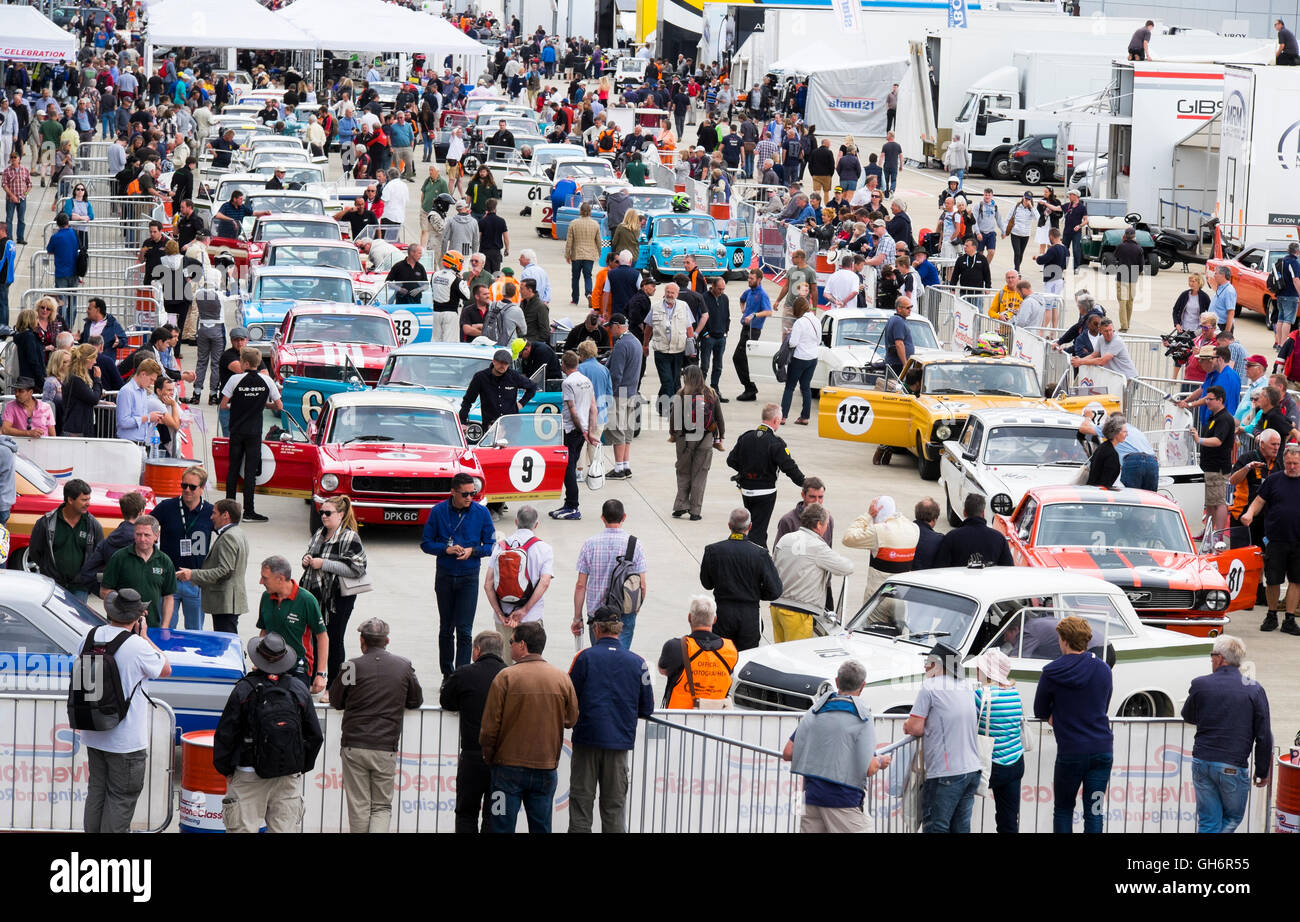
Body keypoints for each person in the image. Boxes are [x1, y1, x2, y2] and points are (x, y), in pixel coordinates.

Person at [75, 589, 171, 834]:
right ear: (138, 616)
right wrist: (146, 635)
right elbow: (166, 668)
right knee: (120, 797)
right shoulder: (138, 646)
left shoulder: (90, 636)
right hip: (126, 740)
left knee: (96, 791)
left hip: (94, 731)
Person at [212, 632, 324, 833]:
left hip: (248, 774)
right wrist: (297, 766)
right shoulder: (298, 689)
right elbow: (315, 735)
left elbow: (225, 735)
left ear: (257, 659)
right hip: (288, 775)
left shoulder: (244, 690)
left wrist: (227, 770)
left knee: (242, 829)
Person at [479, 621, 579, 834]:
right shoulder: (561, 678)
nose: (510, 645)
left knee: (501, 826)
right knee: (541, 827)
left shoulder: (506, 677)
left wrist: (488, 755)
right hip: (545, 767)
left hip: (506, 769)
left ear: (522, 645)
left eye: (511, 641)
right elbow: (571, 719)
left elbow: (489, 727)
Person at [327, 617, 423, 834]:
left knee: (359, 806)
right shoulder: (403, 666)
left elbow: (336, 700)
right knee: (381, 806)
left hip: (354, 744)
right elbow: (415, 701)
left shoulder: (352, 666)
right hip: (384, 746)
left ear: (362, 641)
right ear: (387, 640)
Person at [567, 605, 654, 833]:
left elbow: (568, 698)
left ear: (596, 628)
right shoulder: (638, 663)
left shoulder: (584, 658)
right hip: (618, 744)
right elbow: (648, 708)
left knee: (581, 807)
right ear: (619, 628)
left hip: (587, 740)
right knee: (614, 810)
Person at [782, 658, 889, 833]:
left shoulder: (815, 711)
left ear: (837, 681)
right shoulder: (862, 717)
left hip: (812, 798)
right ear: (862, 686)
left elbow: (788, 752)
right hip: (844, 800)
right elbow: (869, 768)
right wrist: (880, 761)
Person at [1181, 635, 1272, 833]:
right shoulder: (1254, 689)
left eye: (1212, 656)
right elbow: (1264, 734)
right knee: (1232, 817)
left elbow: (1187, 715)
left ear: (1220, 658)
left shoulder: (1201, 684)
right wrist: (1262, 770)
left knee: (1208, 821)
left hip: (1202, 761)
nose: (1211, 660)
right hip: (1232, 764)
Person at [1033, 615, 1114, 834]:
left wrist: (1056, 716)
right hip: (1102, 751)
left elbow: (1039, 710)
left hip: (1071, 752)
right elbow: (1103, 706)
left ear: (1064, 640)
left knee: (1063, 809)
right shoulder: (1104, 669)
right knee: (1095, 810)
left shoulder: (1052, 672)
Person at [904, 642, 982, 833]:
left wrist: (908, 725)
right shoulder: (966, 685)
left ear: (938, 665)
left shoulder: (930, 686)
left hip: (946, 774)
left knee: (936, 828)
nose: (924, 666)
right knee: (961, 828)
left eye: (928, 662)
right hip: (971, 769)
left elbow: (914, 727)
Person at [440, 631, 507, 834]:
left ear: (477, 650)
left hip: (472, 757)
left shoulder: (464, 673)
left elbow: (447, 701)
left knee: (466, 813)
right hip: (502, 761)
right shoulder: (511, 674)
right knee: (495, 814)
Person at [301, 496, 368, 686]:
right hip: (316, 594)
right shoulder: (319, 534)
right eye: (321, 512)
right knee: (315, 637)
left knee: (335, 639)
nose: (323, 516)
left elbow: (358, 568)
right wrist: (306, 560)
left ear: (341, 514)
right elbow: (311, 557)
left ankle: (334, 686)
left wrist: (324, 564)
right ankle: (315, 680)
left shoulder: (349, 537)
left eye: (328, 513)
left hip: (339, 598)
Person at [698, 508, 783, 651]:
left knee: (721, 657)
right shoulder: (760, 553)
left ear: (729, 525)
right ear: (749, 527)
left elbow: (707, 583)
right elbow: (775, 590)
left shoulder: (713, 550)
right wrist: (756, 592)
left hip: (722, 613)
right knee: (746, 659)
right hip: (749, 614)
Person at [769, 503, 854, 642]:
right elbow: (847, 567)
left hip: (776, 607)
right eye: (826, 524)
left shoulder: (785, 539)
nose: (827, 527)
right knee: (798, 657)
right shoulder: (818, 546)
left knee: (781, 656)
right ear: (819, 525)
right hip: (798, 612)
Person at [727, 404, 805, 547]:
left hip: (746, 490)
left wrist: (745, 470)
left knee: (750, 525)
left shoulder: (746, 437)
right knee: (758, 530)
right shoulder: (775, 443)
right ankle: (756, 556)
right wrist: (804, 483)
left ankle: (749, 551)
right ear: (775, 420)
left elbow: (731, 460)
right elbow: (788, 466)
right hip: (765, 492)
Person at [573, 499, 648, 648]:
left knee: (600, 659)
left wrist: (577, 617)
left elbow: (581, 585)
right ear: (624, 517)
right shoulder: (635, 545)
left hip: (597, 613)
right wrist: (635, 609)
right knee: (620, 661)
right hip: (624, 612)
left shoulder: (590, 544)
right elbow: (642, 585)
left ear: (602, 517)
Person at [1241, 443, 1300, 634]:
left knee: (1296, 581)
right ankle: (1272, 615)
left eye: (1295, 463)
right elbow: (1258, 501)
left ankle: (1289, 619)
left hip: (1298, 541)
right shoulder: (1273, 481)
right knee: (1273, 580)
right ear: (1284, 461)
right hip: (1275, 539)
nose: (1292, 466)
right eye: (1289, 463)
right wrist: (1249, 514)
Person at [485, 506, 555, 660]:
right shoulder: (544, 549)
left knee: (505, 663)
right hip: (531, 618)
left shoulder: (500, 546)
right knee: (530, 663)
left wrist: (500, 613)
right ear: (536, 525)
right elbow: (544, 582)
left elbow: (488, 584)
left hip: (504, 618)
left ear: (516, 521)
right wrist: (524, 610)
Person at [220, 348, 282, 523]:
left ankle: (228, 510)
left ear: (245, 363)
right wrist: (262, 404)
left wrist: (238, 405)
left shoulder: (234, 379)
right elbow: (278, 405)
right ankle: (249, 511)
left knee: (233, 469)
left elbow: (224, 405)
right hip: (254, 432)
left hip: (236, 430)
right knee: (250, 472)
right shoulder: (267, 380)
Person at [153, 465, 213, 631]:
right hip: (168, 579)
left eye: (192, 487)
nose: (187, 490)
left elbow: (228, 535)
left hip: (195, 581)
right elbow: (145, 527)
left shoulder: (210, 512)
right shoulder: (167, 507)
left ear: (202, 489)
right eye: (184, 485)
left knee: (195, 631)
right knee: (165, 629)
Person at [176, 499, 248, 634]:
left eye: (214, 513)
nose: (211, 517)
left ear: (225, 515)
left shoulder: (228, 537)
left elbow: (225, 571)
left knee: (225, 643)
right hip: (229, 602)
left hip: (226, 603)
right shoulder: (238, 533)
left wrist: (193, 574)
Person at [973, 649, 1026, 833]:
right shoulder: (1014, 694)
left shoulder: (980, 695)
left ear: (987, 671)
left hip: (990, 765)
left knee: (960, 808)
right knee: (1008, 820)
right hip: (1015, 762)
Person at [668, 365, 725, 520]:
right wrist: (721, 436)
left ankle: (680, 505)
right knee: (700, 474)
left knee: (683, 472)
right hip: (705, 437)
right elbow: (719, 418)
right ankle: (695, 511)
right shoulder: (711, 393)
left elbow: (674, 418)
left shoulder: (681, 394)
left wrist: (673, 434)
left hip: (684, 439)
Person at [99, 515, 176, 629]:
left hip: (152, 627)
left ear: (156, 535)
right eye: (138, 534)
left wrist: (164, 627)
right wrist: (129, 608)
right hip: (121, 626)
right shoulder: (119, 557)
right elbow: (104, 591)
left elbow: (168, 597)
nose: (142, 539)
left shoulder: (165, 561)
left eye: (147, 535)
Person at [843, 495, 920, 602]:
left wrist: (868, 515)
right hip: (902, 597)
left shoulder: (878, 531)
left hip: (878, 598)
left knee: (872, 619)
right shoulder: (913, 528)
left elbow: (848, 538)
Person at [552, 350, 598, 521]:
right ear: (577, 364)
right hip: (582, 429)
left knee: (568, 468)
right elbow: (593, 408)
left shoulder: (568, 382)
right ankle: (568, 503)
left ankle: (573, 506)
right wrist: (589, 431)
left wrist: (584, 431)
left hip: (570, 429)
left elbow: (572, 410)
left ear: (563, 364)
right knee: (570, 466)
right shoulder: (586, 380)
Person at [460, 348, 538, 430]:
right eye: (501, 362)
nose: (503, 366)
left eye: (506, 364)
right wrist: (462, 421)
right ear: (493, 361)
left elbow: (532, 387)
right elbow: (468, 400)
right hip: (490, 425)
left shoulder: (514, 376)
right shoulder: (480, 377)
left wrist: (521, 403)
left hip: (512, 425)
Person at [1193, 385, 1236, 535]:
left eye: (1210, 399)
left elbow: (1218, 441)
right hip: (1209, 466)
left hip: (1217, 467)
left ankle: (1218, 535)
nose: (1207, 402)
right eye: (1206, 399)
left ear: (1220, 400)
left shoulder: (1224, 418)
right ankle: (1209, 531)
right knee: (1210, 502)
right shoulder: (1214, 417)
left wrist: (1199, 439)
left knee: (1218, 502)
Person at [605, 314, 641, 481]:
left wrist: (609, 395)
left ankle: (618, 467)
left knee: (617, 429)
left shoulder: (621, 345)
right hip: (632, 391)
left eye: (610, 326)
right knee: (627, 430)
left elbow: (616, 374)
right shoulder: (635, 342)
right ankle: (625, 465)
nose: (609, 330)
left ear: (618, 326)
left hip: (620, 394)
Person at [934, 493, 1014, 567]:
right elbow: (1008, 570)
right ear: (983, 513)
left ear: (964, 513)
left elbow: (940, 568)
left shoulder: (951, 537)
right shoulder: (999, 538)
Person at [733, 268, 772, 401]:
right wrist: (742, 309)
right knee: (741, 359)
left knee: (739, 358)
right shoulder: (749, 292)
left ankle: (750, 388)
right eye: (749, 278)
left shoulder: (762, 294)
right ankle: (750, 388)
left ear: (759, 280)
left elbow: (768, 311)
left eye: (752, 279)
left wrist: (755, 315)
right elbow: (741, 299)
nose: (749, 281)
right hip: (745, 328)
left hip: (753, 330)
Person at [780, 298, 819, 425]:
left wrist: (791, 334)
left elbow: (793, 343)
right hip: (813, 358)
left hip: (799, 358)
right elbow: (818, 340)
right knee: (806, 387)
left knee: (789, 387)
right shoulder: (816, 320)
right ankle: (805, 417)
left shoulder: (799, 322)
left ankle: (783, 416)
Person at [1070, 317, 1139, 379]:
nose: (1109, 333)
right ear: (1100, 331)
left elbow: (1102, 361)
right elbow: (1093, 355)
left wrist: (1081, 361)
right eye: (1106, 331)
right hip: (1117, 378)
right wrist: (1078, 361)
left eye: (1110, 330)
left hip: (1128, 378)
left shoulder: (1117, 341)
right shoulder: (1101, 339)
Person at [564, 201, 601, 306]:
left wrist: (567, 254)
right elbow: (598, 241)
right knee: (588, 276)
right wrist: (599, 253)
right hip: (589, 255)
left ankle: (575, 299)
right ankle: (589, 294)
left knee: (575, 277)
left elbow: (569, 241)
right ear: (590, 212)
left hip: (577, 254)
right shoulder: (595, 224)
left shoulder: (574, 223)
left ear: (580, 211)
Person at [1084, 414, 1125, 487]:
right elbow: (1105, 481)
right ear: (1116, 433)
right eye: (1124, 432)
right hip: (1100, 494)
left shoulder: (1103, 447)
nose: (1127, 434)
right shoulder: (1111, 453)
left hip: (1094, 489)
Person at [1209, 265, 1237, 335]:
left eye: (1216, 273)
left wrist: (1226, 332)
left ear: (1223, 275)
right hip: (1215, 325)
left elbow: (1231, 312)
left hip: (1222, 326)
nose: (1214, 276)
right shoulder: (1220, 287)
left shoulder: (1229, 290)